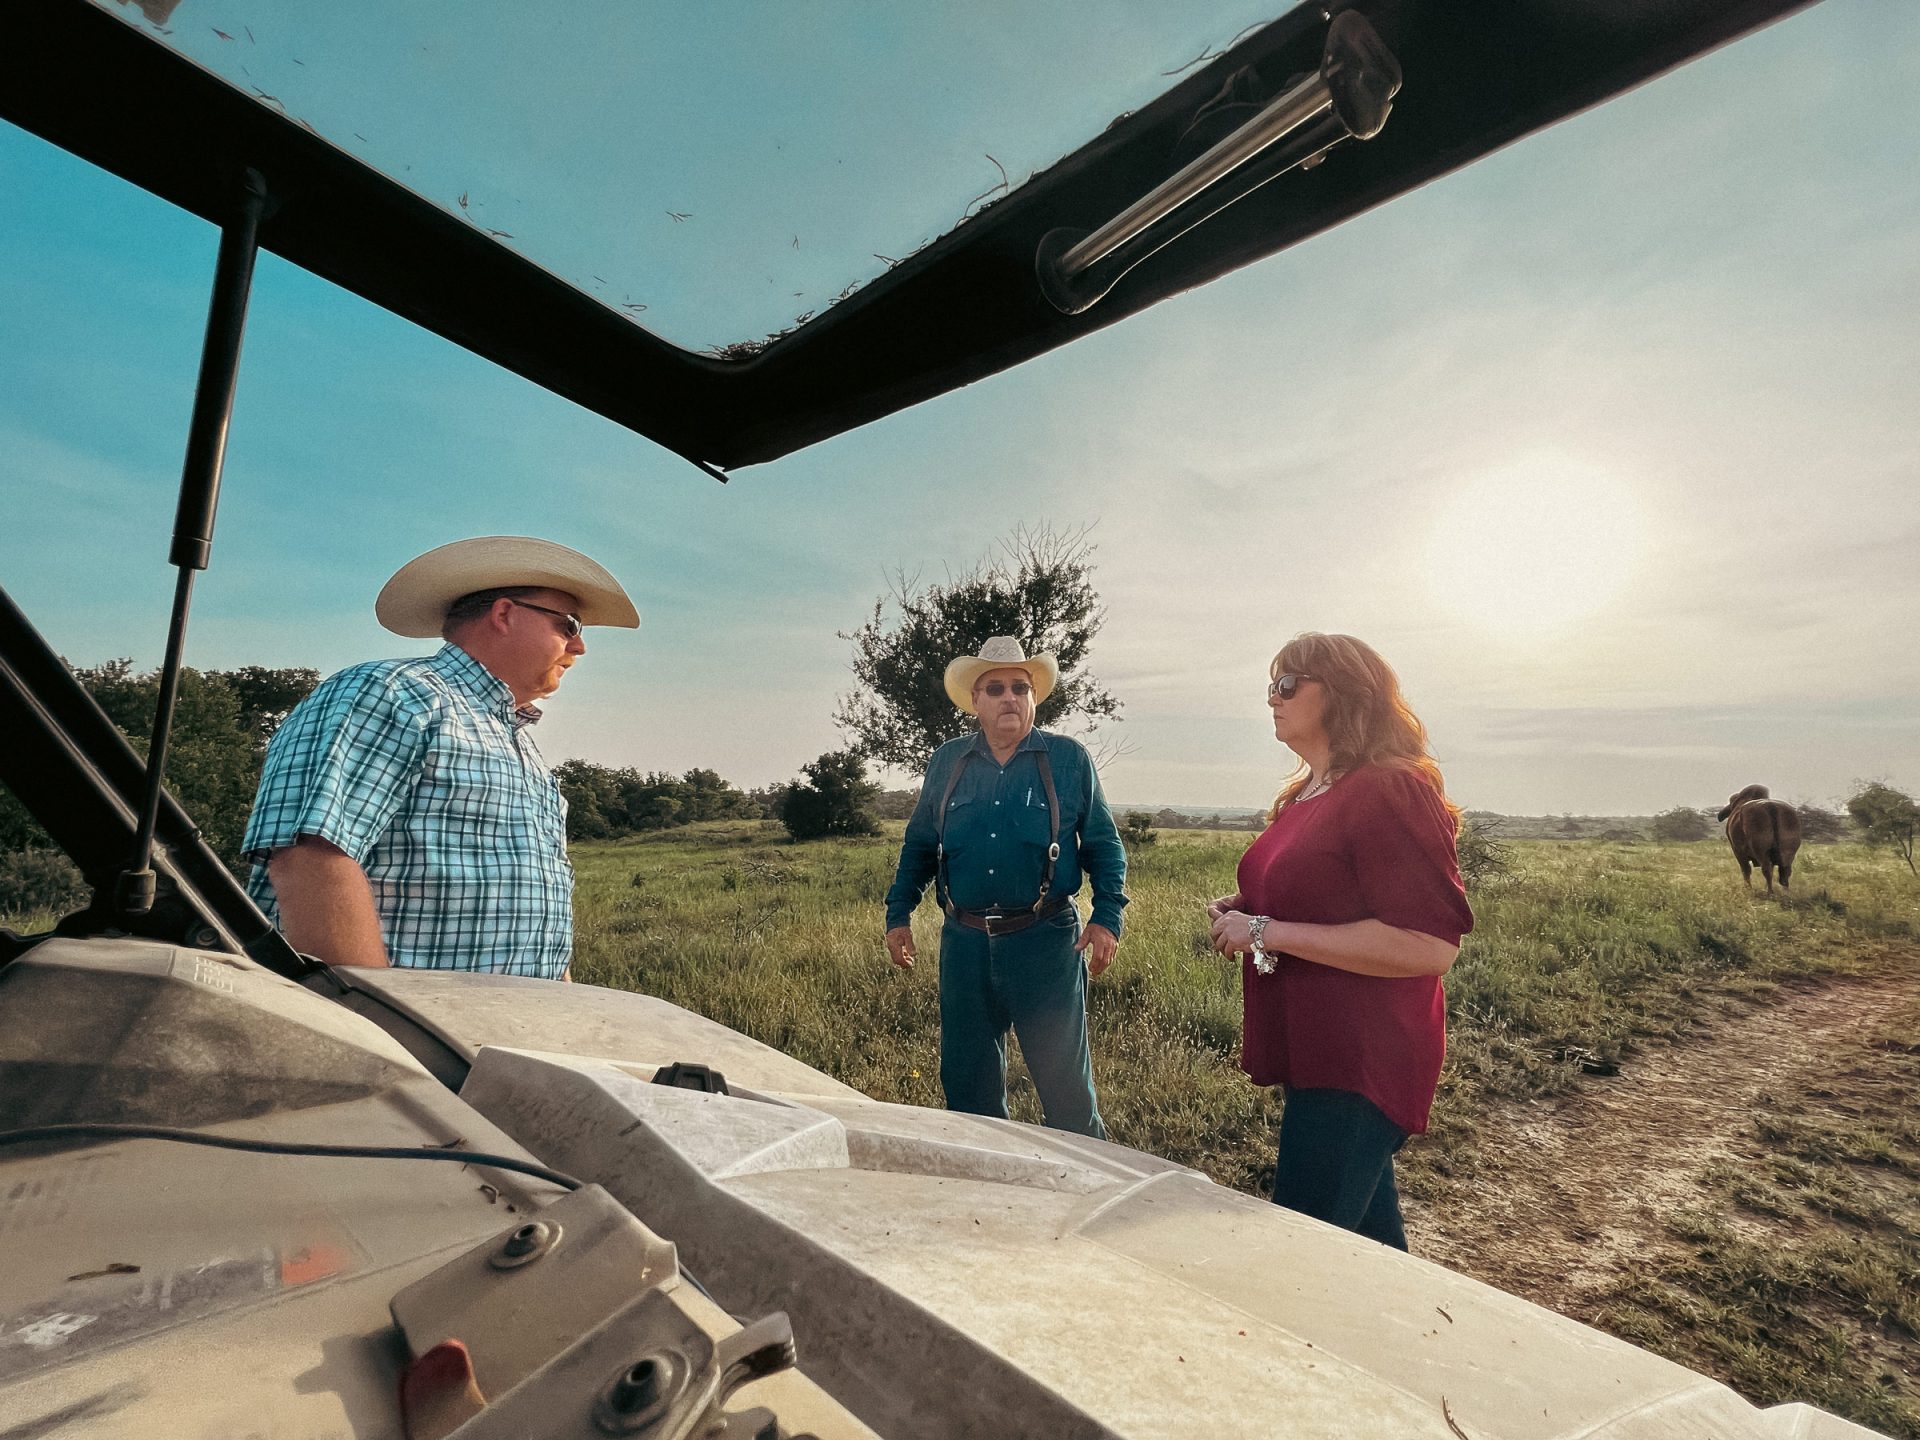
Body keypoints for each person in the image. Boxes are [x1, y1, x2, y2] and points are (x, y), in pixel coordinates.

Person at [242, 535, 639, 978]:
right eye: (569, 625)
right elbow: (309, 857)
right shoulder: (393, 692)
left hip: (508, 1030)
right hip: (411, 1033)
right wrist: (376, 1024)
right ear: (504, 614)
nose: (579, 646)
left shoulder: (520, 744)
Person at [1206, 633, 1472, 1250]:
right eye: (1271, 685)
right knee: (1371, 1257)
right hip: (1317, 1052)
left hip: (1364, 1058)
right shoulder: (1305, 795)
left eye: (1288, 684)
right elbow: (1327, 894)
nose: (1273, 698)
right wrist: (1249, 909)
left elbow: (1430, 944)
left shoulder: (1389, 788)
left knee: (1300, 1255)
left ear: (1344, 694)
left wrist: (1266, 932)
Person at [884, 636, 1128, 1138]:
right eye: (995, 688)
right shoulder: (947, 763)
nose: (1009, 698)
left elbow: (1104, 846)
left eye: (1020, 687)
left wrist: (1107, 918)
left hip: (1045, 941)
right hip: (965, 944)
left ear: (1034, 697)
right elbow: (920, 845)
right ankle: (989, 1200)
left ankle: (1090, 1190)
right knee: (968, 1090)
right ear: (975, 701)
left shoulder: (1068, 759)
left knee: (1066, 1091)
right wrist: (899, 915)